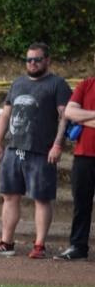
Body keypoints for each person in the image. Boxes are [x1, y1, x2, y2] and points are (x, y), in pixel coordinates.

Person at [0, 43, 72, 259]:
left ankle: (40, 245)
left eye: (37, 59)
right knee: (9, 196)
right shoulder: (18, 83)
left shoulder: (57, 84)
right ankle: (6, 242)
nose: (32, 63)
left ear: (47, 60)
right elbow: (6, 115)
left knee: (41, 198)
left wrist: (58, 145)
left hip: (41, 151)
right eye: (29, 60)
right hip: (15, 149)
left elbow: (65, 117)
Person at [55, 53, 95, 261]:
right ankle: (78, 247)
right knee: (81, 203)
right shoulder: (86, 85)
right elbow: (70, 113)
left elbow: (78, 115)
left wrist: (84, 117)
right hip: (84, 155)